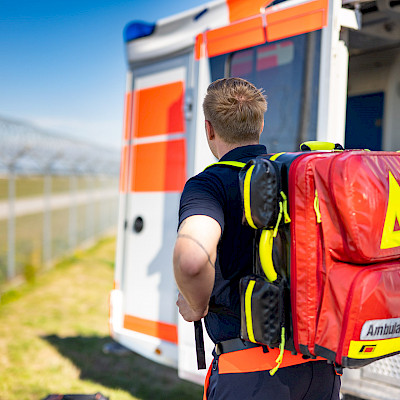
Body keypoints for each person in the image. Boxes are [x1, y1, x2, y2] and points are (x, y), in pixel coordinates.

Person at [173, 77, 341, 400]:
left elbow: (192, 261)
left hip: (251, 375)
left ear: (209, 129)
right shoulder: (298, 175)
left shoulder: (208, 185)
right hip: (320, 366)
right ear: (261, 123)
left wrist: (197, 305)